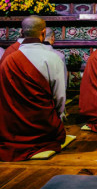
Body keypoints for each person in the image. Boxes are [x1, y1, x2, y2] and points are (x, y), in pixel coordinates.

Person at [0, 15, 67, 161]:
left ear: (21, 33)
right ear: (43, 32)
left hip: (12, 127)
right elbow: (60, 97)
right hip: (42, 126)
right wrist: (57, 118)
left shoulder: (9, 58)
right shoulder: (52, 57)